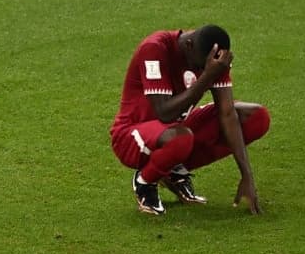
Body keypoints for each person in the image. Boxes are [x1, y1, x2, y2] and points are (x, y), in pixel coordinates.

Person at [109, 24, 271, 216]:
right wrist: (207, 77)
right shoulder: (155, 49)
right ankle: (145, 181)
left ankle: (173, 171)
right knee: (181, 138)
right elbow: (164, 113)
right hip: (131, 135)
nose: (200, 70)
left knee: (256, 118)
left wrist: (247, 176)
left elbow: (227, 114)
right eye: (199, 66)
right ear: (188, 45)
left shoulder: (213, 59)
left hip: (175, 131)